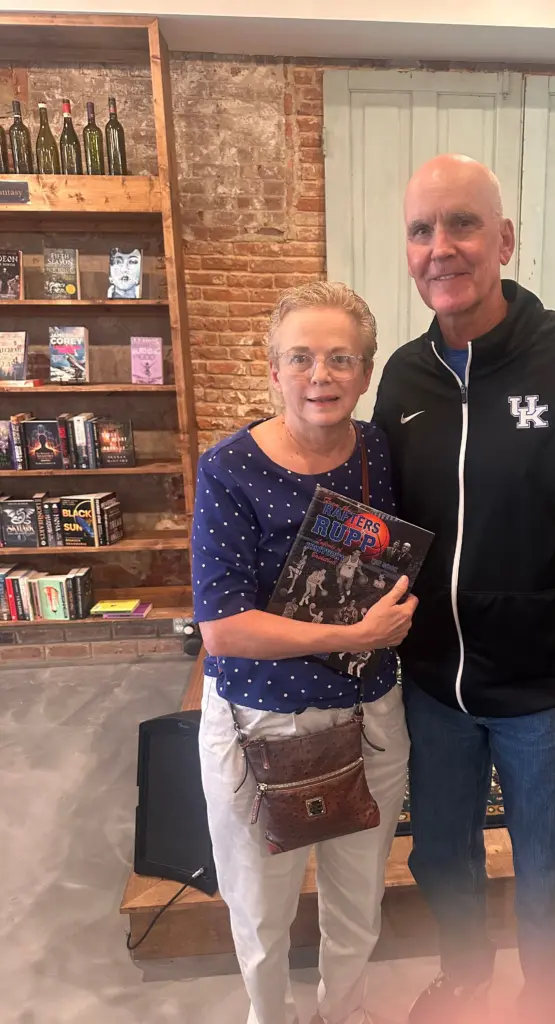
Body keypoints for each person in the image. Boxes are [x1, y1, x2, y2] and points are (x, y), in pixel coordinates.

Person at [373, 155, 555, 1024]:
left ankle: (547, 1004)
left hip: (548, 691)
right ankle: (466, 976)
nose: (440, 247)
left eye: (462, 224)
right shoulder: (404, 376)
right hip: (434, 686)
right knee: (441, 858)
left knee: (550, 873)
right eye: (421, 230)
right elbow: (384, 525)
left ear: (503, 240)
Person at [192, 280, 418, 1024]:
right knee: (262, 914)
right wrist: (353, 637)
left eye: (340, 358)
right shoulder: (229, 468)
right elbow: (223, 628)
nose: (320, 375)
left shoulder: (378, 450)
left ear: (366, 371)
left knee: (358, 899)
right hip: (263, 725)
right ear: (273, 369)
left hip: (369, 714)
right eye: (300, 358)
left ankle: (344, 1011)